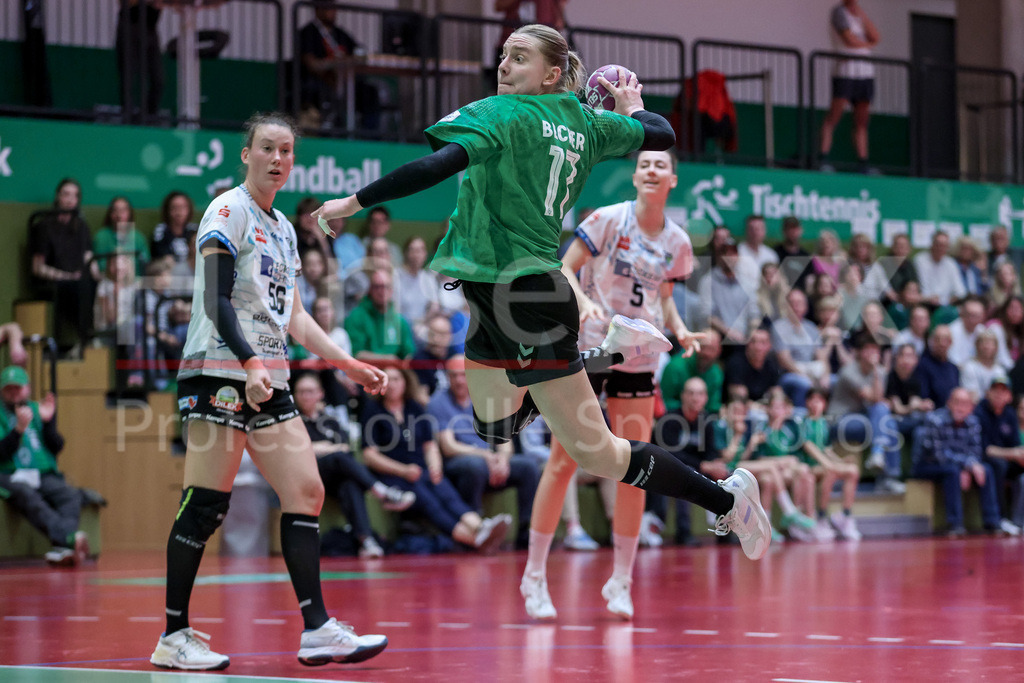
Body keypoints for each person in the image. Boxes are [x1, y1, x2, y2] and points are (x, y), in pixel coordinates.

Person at [314, 22, 770, 578]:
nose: (504, 65)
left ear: (552, 74)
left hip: (525, 293)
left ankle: (728, 500)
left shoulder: (500, 114)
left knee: (596, 453)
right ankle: (608, 353)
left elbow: (436, 166)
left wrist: (353, 201)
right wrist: (631, 107)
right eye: (504, 55)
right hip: (491, 295)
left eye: (520, 58)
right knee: (492, 427)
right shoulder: (586, 123)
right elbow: (661, 132)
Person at [150, 113, 391, 672]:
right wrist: (250, 361)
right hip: (220, 370)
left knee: (306, 490)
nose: (278, 159)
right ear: (247, 154)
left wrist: (348, 363)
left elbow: (297, 318)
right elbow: (215, 299)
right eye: (267, 148)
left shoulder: (283, 225)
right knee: (206, 503)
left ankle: (316, 630)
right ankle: (173, 634)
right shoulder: (227, 210)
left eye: (286, 151)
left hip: (270, 376)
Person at [517, 148, 701, 619]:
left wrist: (679, 329)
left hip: (640, 358)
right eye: (645, 165)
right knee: (563, 461)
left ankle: (621, 580)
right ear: (637, 176)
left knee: (636, 468)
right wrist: (582, 303)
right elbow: (565, 266)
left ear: (673, 179)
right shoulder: (609, 219)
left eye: (661, 165)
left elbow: (664, 294)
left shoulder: (677, 241)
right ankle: (534, 576)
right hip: (595, 351)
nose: (652, 170)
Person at [360, 366, 512, 551]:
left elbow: (429, 445)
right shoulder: (372, 410)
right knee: (428, 500)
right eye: (388, 379)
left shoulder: (414, 407)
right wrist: (402, 470)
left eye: (397, 379)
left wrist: (435, 466)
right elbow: (369, 455)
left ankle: (479, 527)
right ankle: (473, 539)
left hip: (420, 470)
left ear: (406, 382)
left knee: (444, 489)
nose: (392, 384)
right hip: (392, 475)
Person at [294, 373, 415, 559]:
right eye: (301, 392)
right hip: (309, 474)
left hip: (333, 477)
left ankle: (366, 541)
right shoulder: (293, 421)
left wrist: (320, 448)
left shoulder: (329, 420)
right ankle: (381, 491)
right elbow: (297, 451)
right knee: (338, 457)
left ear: (320, 394)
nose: (305, 396)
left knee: (349, 483)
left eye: (310, 391)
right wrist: (324, 449)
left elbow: (345, 447)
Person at [428, 355, 540, 550]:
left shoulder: (486, 397)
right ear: (447, 377)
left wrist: (502, 460)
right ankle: (478, 529)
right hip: (458, 463)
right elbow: (448, 447)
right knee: (475, 466)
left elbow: (505, 440)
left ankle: (525, 531)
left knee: (528, 467)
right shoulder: (438, 402)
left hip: (488, 460)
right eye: (453, 376)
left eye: (463, 375)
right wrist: (487, 456)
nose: (459, 380)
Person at [0, 365, 90, 566]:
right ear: (1, 390)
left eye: (18, 387)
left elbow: (57, 446)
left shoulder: (36, 409)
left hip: (42, 474)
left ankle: (63, 548)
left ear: (28, 389)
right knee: (26, 494)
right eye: (9, 388)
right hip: (9, 474)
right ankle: (68, 538)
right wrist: (17, 431)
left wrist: (49, 422)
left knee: (70, 494)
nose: (14, 392)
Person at [914, 387, 1005, 536]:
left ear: (971, 407)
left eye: (965, 404)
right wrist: (967, 465)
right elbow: (938, 455)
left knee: (986, 469)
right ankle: (955, 524)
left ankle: (992, 522)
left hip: (955, 465)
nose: (960, 407)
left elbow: (975, 451)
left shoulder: (973, 422)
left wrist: (969, 466)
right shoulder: (935, 420)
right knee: (953, 471)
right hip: (927, 465)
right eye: (956, 402)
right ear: (948, 403)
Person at [29, 178, 98, 354]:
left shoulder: (81, 226)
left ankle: (101, 340)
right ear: (57, 196)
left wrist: (100, 276)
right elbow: (38, 267)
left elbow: (88, 257)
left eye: (74, 195)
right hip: (57, 281)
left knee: (99, 286)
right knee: (78, 288)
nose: (70, 199)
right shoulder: (44, 226)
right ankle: (86, 339)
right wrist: (66, 276)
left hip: (81, 279)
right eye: (66, 194)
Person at [297, 0, 380, 132]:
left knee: (370, 92)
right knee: (326, 94)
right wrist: (333, 63)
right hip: (320, 83)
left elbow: (359, 52)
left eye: (334, 9)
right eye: (329, 8)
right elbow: (312, 64)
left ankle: (370, 136)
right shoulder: (308, 33)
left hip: (347, 82)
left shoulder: (340, 34)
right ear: (318, 10)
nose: (333, 12)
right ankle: (333, 133)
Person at [819, 0, 879, 173]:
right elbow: (849, 40)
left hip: (865, 73)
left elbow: (876, 36)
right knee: (834, 116)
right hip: (846, 71)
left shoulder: (859, 14)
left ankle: (863, 162)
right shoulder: (838, 12)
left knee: (862, 120)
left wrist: (861, 15)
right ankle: (823, 157)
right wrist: (868, 45)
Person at [972, 375, 1024, 535]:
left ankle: (1018, 521)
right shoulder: (980, 412)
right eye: (996, 390)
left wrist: (1019, 455)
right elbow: (984, 448)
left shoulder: (1009, 414)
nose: (999, 394)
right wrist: (1013, 453)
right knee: (997, 466)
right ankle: (999, 518)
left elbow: (1016, 445)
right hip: (982, 458)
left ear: (1009, 396)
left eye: (1003, 391)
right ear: (988, 392)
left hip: (1007, 459)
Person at [115, 0, 165, 122]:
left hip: (150, 28)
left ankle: (149, 117)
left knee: (158, 79)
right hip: (130, 25)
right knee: (129, 76)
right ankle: (127, 116)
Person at [660, 328, 722, 413]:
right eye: (703, 347)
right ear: (695, 345)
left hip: (702, 420)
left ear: (719, 351)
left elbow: (713, 406)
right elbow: (665, 401)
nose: (707, 353)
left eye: (712, 349)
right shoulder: (674, 367)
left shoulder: (716, 373)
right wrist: (690, 408)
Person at [94, 196, 150, 274]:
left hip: (135, 282)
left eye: (123, 211)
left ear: (130, 213)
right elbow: (100, 265)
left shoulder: (139, 238)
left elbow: (145, 263)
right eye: (115, 210)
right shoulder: (101, 236)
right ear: (110, 214)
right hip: (108, 280)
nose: (119, 215)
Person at [914, 232, 966, 308]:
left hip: (947, 305)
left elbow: (960, 291)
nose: (940, 248)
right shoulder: (920, 260)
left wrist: (948, 301)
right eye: (938, 244)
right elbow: (922, 289)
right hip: (925, 304)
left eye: (944, 245)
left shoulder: (951, 263)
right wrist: (929, 298)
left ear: (948, 248)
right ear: (932, 244)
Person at [151, 191, 198, 265]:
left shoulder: (195, 230)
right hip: (169, 271)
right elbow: (160, 255)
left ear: (189, 209)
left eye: (183, 207)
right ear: (167, 210)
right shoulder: (161, 230)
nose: (179, 212)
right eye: (174, 208)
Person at [774, 215, 812, 292]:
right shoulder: (775, 253)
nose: (793, 231)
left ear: (800, 231)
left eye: (795, 228)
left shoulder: (806, 256)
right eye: (789, 228)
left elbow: (809, 282)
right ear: (784, 231)